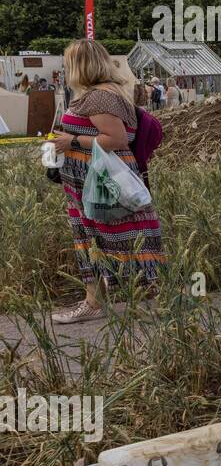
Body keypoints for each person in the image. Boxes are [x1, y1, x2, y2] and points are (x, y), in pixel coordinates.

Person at [47, 39, 167, 324]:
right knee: (102, 238)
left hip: (101, 182)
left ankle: (154, 298)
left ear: (80, 65)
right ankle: (100, 300)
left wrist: (71, 140)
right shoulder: (100, 94)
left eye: (69, 62)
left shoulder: (101, 97)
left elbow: (116, 139)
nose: (66, 68)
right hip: (89, 182)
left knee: (117, 236)